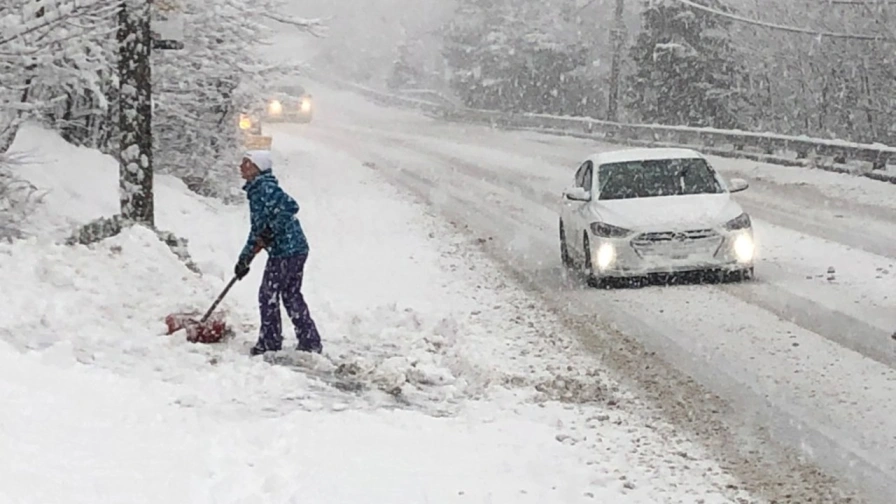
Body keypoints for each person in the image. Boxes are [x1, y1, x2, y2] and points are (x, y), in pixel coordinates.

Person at [234, 150, 322, 356]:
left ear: (257, 167)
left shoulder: (265, 188)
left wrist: (270, 230)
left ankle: (270, 342)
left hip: (287, 250)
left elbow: (290, 206)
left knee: (268, 295)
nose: (241, 166)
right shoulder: (258, 189)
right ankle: (309, 341)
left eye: (246, 162)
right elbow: (257, 231)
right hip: (294, 248)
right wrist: (244, 259)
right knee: (290, 294)